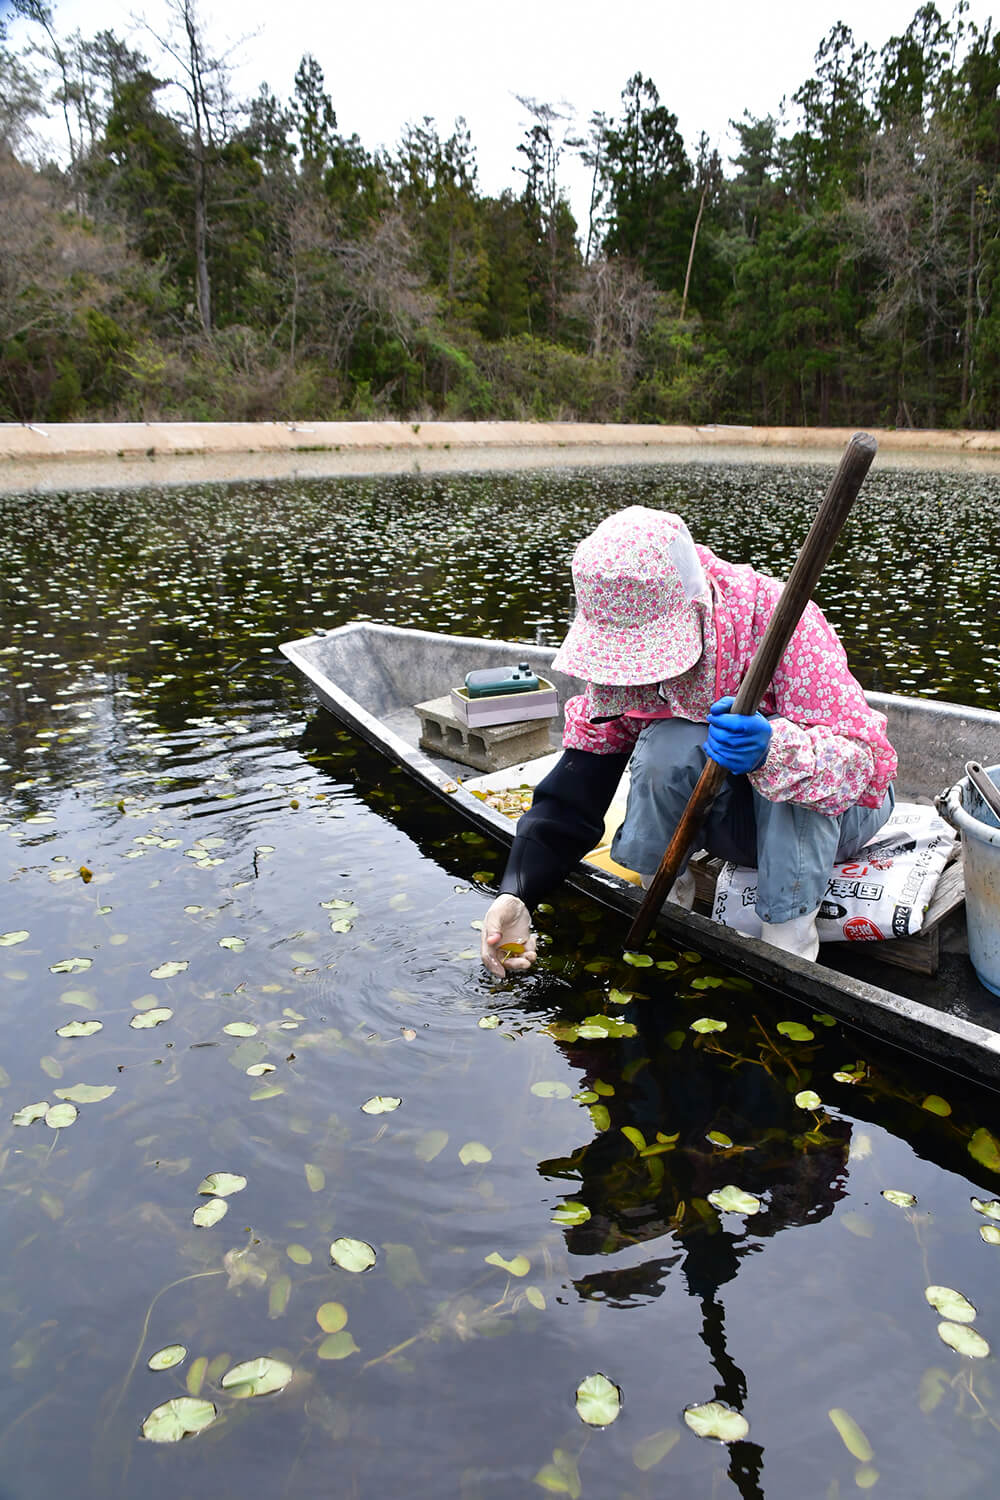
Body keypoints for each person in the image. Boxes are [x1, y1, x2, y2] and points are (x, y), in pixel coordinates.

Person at [480, 506, 897, 976]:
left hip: (838, 814)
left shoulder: (781, 617)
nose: (642, 669)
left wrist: (773, 749)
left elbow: (863, 767)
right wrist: (517, 891)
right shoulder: (619, 660)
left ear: (697, 608)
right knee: (666, 749)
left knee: (790, 770)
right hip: (741, 829)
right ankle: (669, 908)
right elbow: (578, 786)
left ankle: (789, 943)